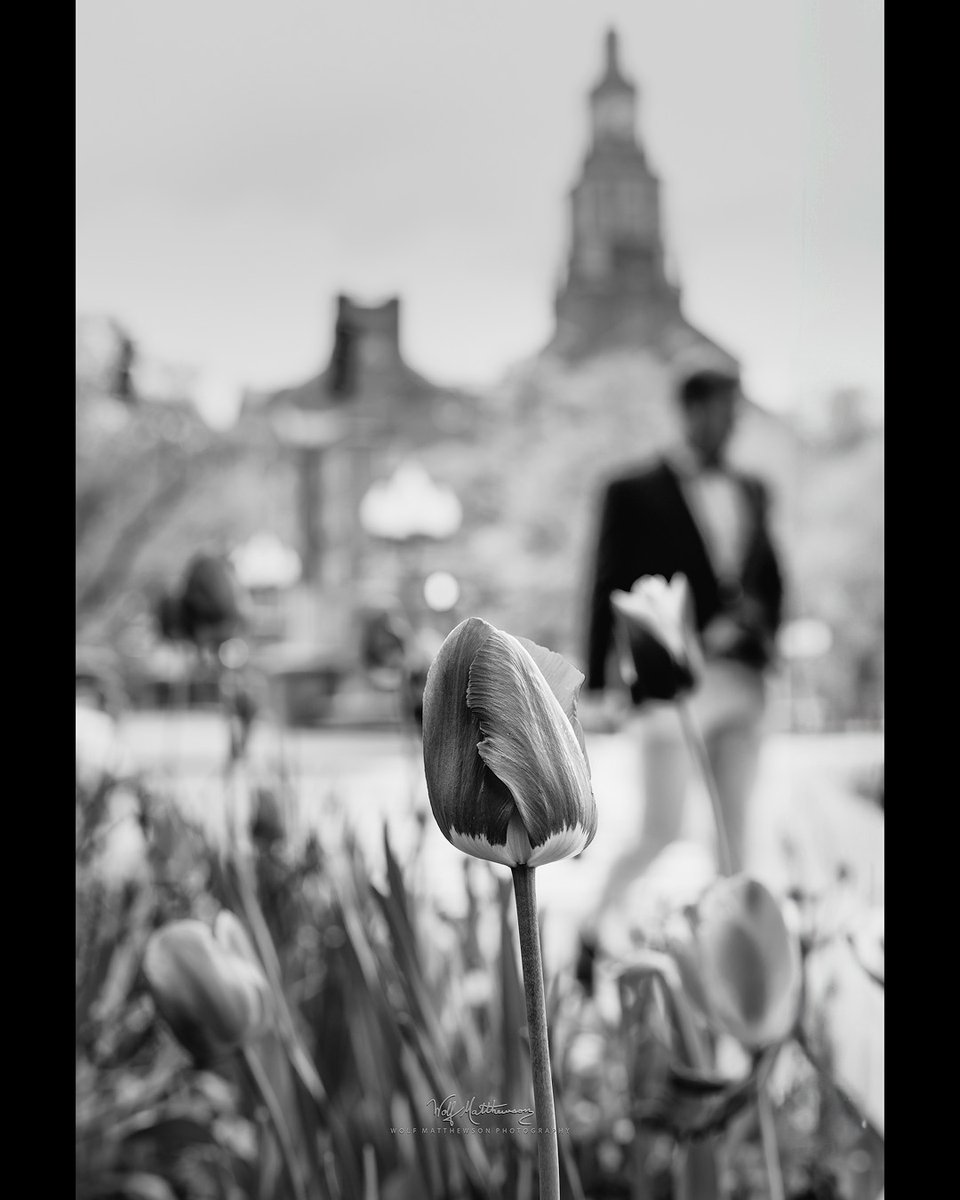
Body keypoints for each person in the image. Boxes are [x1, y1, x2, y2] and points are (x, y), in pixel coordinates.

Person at [577, 366, 785, 973]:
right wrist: (597, 683)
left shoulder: (754, 490)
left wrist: (756, 622)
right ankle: (594, 932)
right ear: (691, 411)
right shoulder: (632, 489)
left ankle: (735, 972)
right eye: (724, 409)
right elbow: (606, 584)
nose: (733, 422)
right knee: (659, 829)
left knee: (736, 841)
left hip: (742, 682)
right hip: (671, 687)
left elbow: (772, 581)